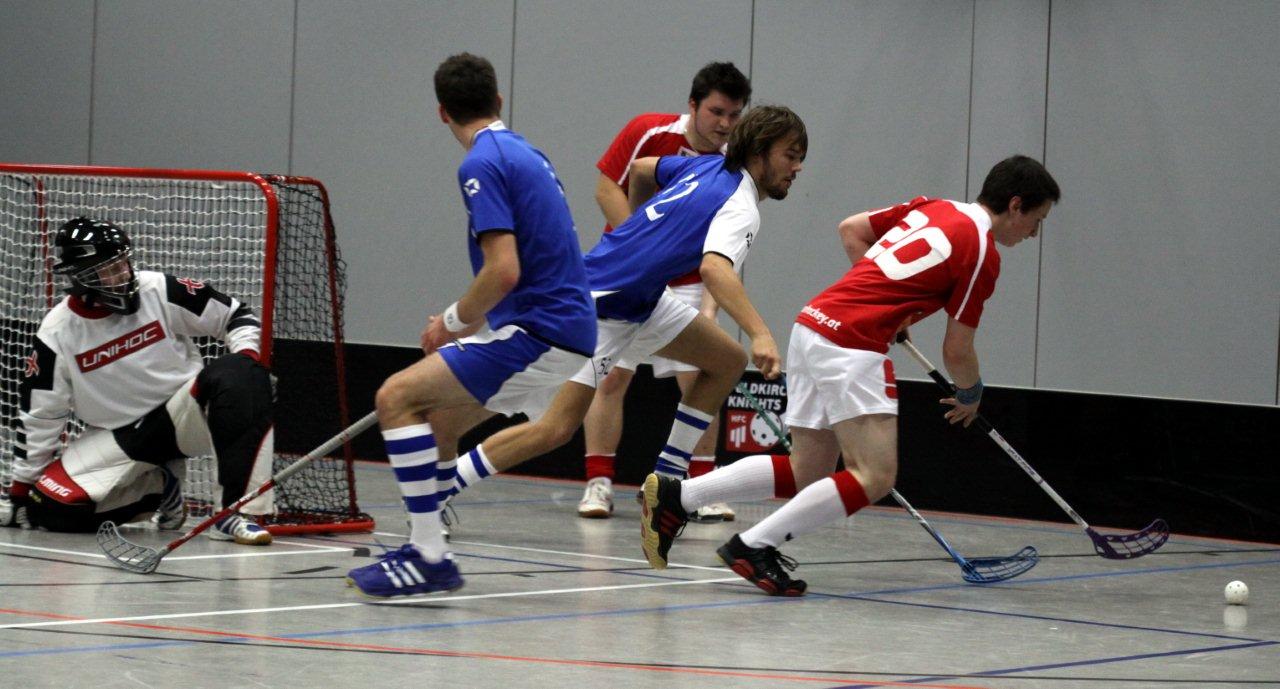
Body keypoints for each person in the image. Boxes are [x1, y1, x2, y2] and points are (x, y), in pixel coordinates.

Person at [639, 155, 1061, 596]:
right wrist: (971, 392)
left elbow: (852, 229)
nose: (1033, 233)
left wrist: (888, 302)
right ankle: (752, 546)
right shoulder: (983, 251)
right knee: (874, 475)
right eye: (1036, 220)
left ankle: (679, 496)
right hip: (852, 345)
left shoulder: (934, 206)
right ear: (1015, 205)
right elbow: (957, 349)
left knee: (807, 470)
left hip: (813, 324)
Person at [431, 106, 807, 559]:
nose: (797, 167)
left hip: (644, 300)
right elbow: (715, 269)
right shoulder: (741, 205)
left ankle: (666, 481)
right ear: (760, 152)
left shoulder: (705, 166)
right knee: (554, 429)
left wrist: (636, 226)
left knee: (727, 360)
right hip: (601, 308)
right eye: (790, 155)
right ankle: (436, 493)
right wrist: (761, 334)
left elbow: (644, 169)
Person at [343, 53, 597, 598]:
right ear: (498, 99)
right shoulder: (526, 151)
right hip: (562, 330)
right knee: (438, 423)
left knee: (394, 397)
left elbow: (503, 270)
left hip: (539, 331)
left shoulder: (481, 163)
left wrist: (452, 323)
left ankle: (428, 556)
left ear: (442, 112)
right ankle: (428, 540)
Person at [0, 217, 276, 545]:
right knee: (47, 508)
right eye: (110, 269)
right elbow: (42, 415)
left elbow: (236, 315)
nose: (123, 274)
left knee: (240, 371)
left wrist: (247, 361)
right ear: (82, 277)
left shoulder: (158, 288)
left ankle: (232, 512)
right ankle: (160, 489)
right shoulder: (56, 331)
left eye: (123, 263)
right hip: (121, 435)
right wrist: (20, 490)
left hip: (186, 416)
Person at [579, 62, 752, 522]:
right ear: (693, 105)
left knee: (702, 376)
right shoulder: (649, 132)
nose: (725, 124)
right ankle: (599, 483)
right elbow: (606, 189)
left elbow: (727, 252)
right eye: (717, 112)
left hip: (692, 281)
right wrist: (641, 249)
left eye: (735, 115)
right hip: (625, 276)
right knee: (610, 378)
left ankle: (699, 487)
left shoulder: (735, 163)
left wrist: (711, 309)